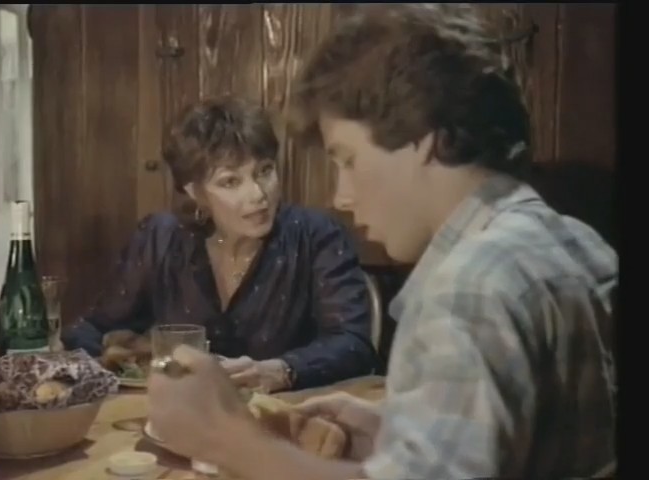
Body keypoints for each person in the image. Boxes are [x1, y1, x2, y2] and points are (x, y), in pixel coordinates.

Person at [145, 4, 618, 480]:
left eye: (348, 159)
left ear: (423, 138)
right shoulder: (576, 241)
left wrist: (225, 439)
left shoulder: (469, 287)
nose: (341, 196)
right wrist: (397, 430)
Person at [61, 95, 377, 392]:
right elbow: (90, 330)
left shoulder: (316, 235)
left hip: (280, 417)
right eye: (230, 181)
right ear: (195, 192)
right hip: (181, 415)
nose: (258, 195)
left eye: (264, 171)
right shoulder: (160, 238)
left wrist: (281, 370)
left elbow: (353, 344)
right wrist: (119, 358)